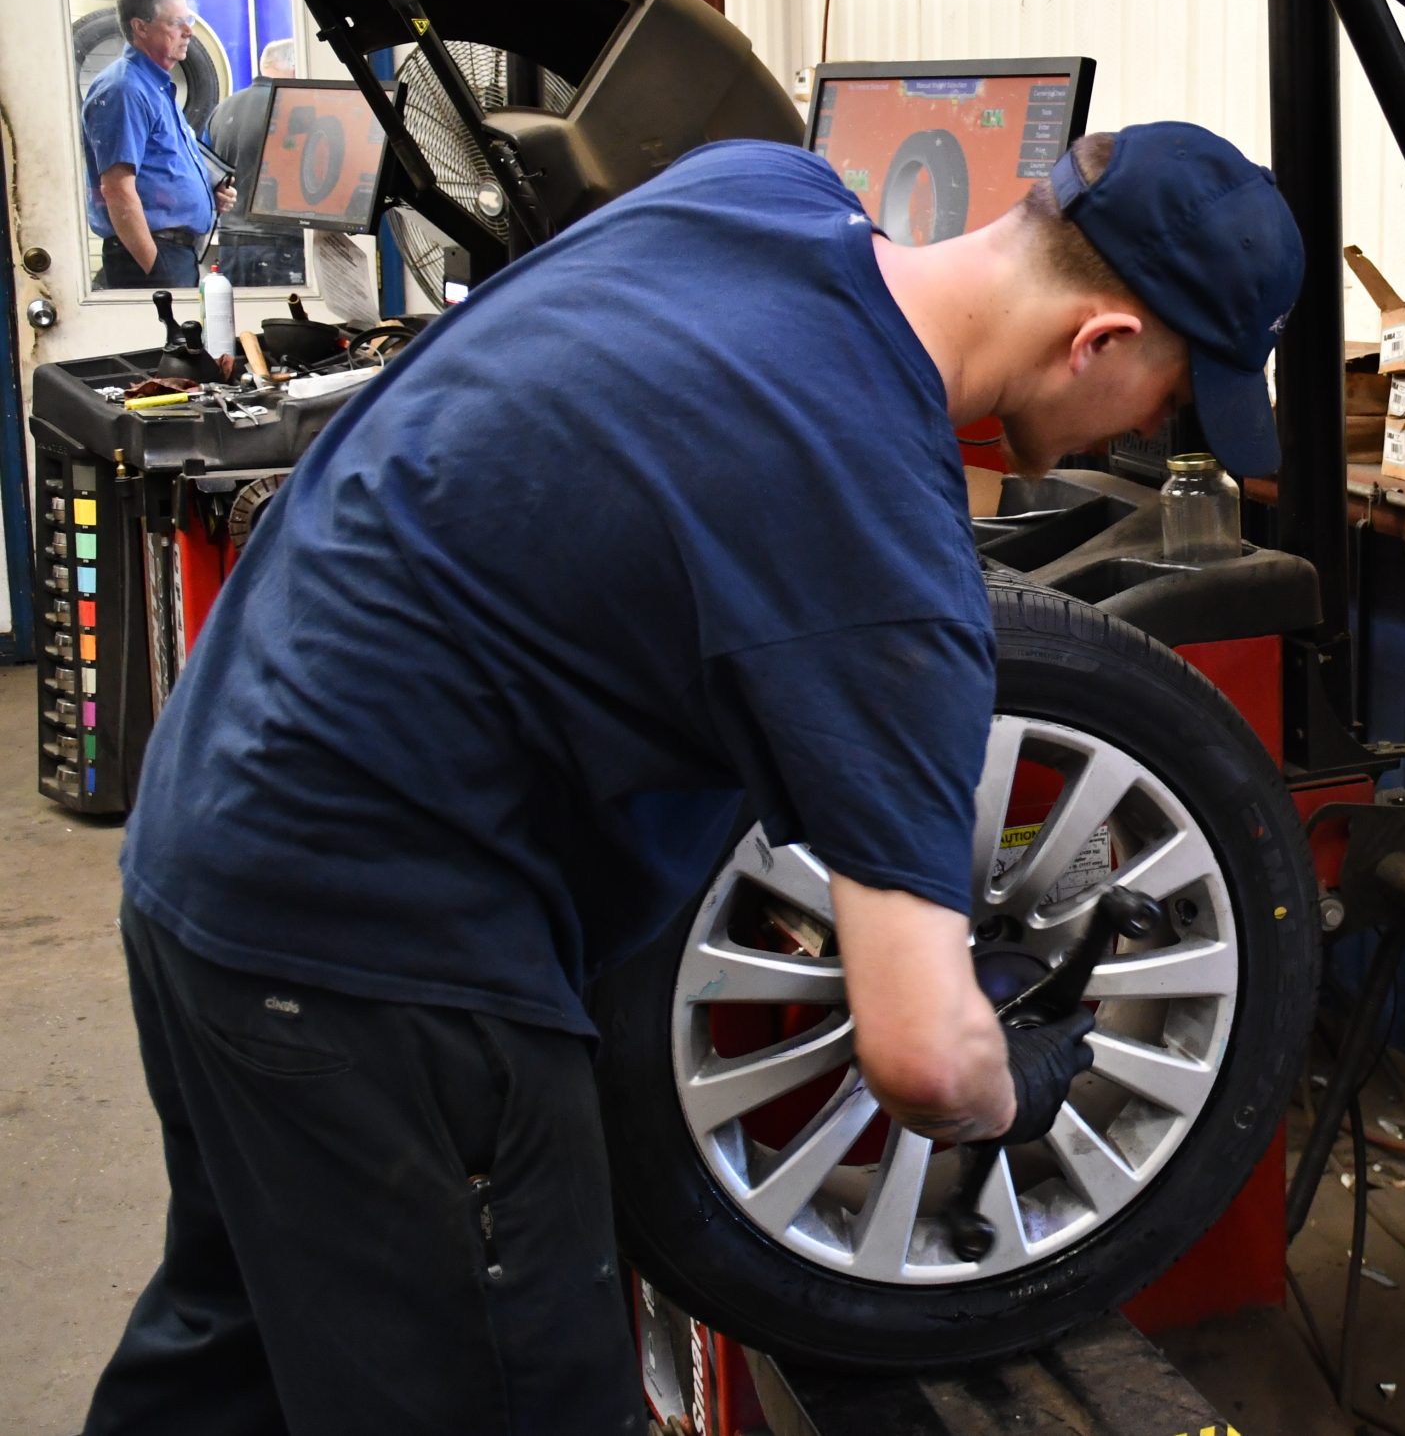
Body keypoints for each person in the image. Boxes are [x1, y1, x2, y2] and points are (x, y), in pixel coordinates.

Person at [82, 123, 1302, 1433]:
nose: (1156, 432)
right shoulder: (888, 568)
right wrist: (1024, 1076)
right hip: (386, 955)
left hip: (201, 836)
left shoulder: (756, 188)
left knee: (235, 1357)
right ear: (1100, 340)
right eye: (1174, 400)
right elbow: (925, 1055)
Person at [81, 0, 233, 290]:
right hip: (150, 259)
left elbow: (160, 170)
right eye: (176, 23)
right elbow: (118, 190)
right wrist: (156, 270)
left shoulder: (157, 87)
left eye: (187, 20)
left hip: (173, 254)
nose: (189, 31)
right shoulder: (124, 89)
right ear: (141, 27)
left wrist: (207, 194)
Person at [205, 38, 307, 289]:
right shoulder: (295, 109)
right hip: (280, 246)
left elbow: (209, 173)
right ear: (296, 67)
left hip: (231, 245)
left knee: (239, 324)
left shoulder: (221, 109)